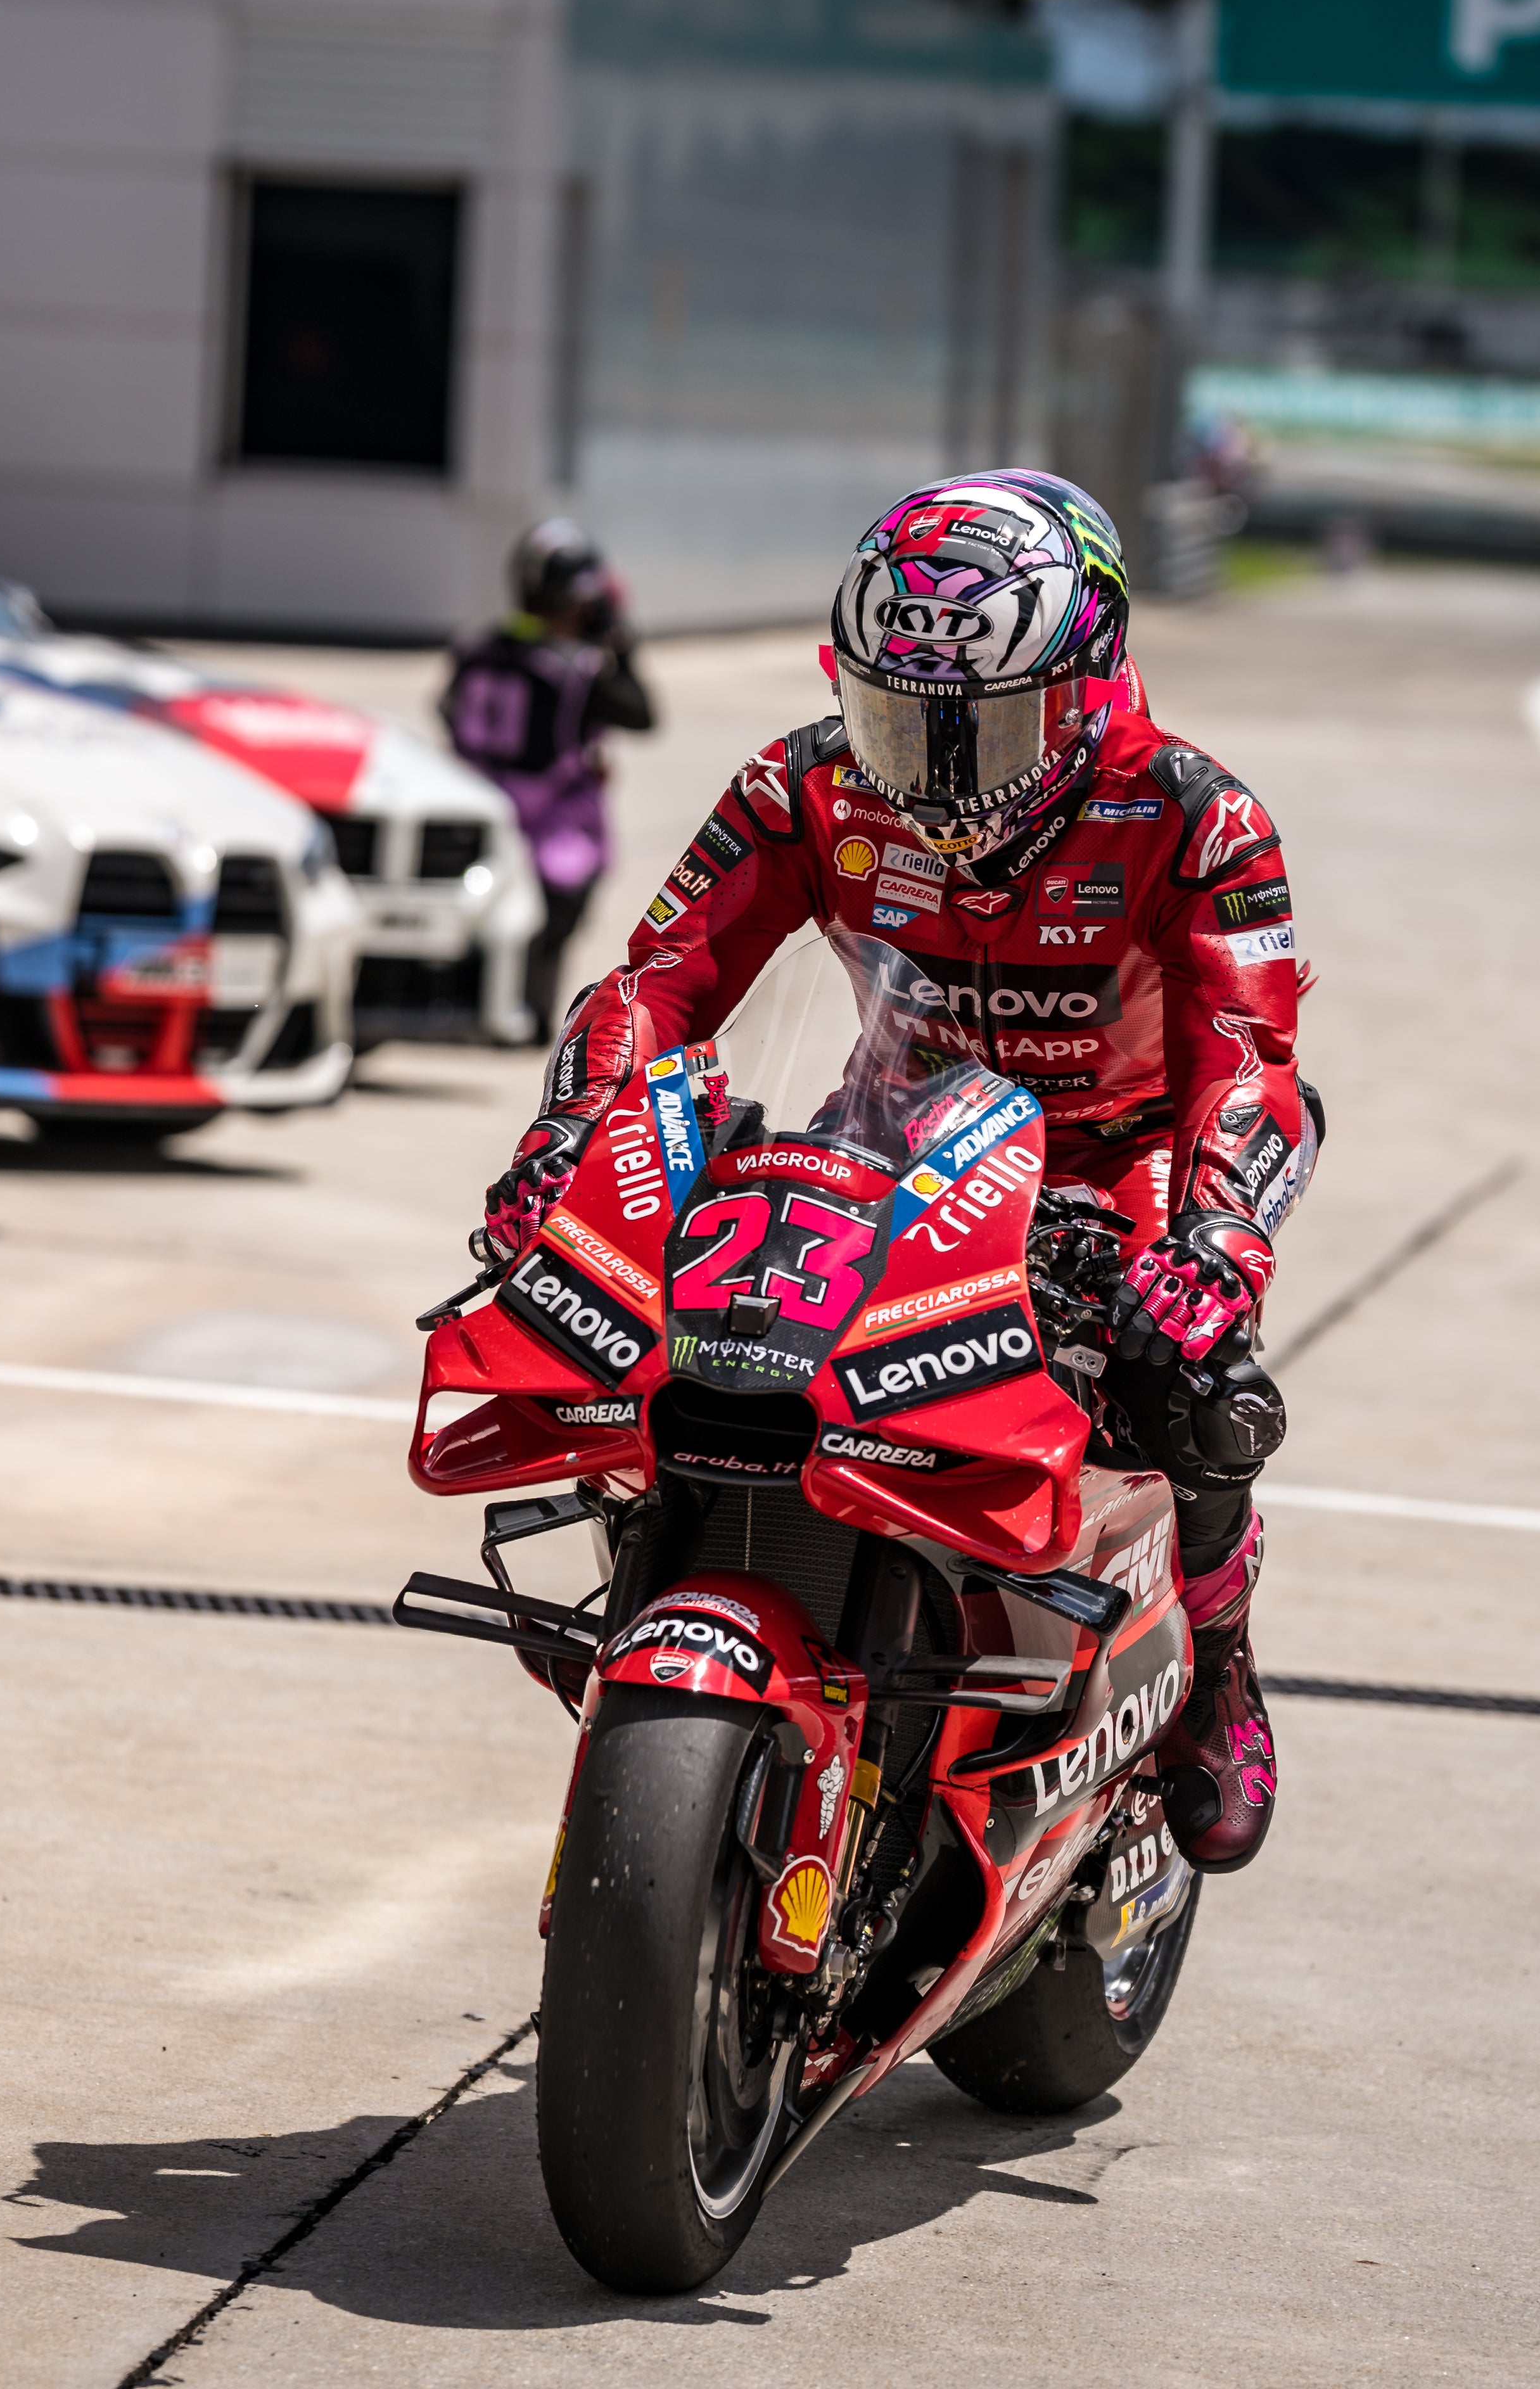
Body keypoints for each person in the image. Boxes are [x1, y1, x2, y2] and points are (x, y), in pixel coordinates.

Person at [473, 469, 1316, 1872]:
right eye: (894, 718)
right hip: (892, 1138)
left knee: (1196, 1389)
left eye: (982, 727)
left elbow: (1251, 1054)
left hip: (1121, 1172)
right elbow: (658, 980)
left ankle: (1216, 1671)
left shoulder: (1197, 816)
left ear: (1086, 685)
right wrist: (564, 1139)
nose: (933, 772)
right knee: (690, 1347)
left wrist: (1218, 1237)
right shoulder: (800, 782)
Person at [443, 521, 657, 1029]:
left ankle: (485, 1006)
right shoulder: (579, 669)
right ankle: (531, 1014)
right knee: (550, 926)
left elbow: (449, 712)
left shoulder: (479, 649)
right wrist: (620, 644)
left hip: (478, 810)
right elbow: (643, 715)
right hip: (551, 829)